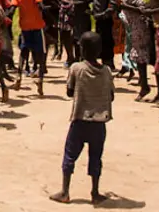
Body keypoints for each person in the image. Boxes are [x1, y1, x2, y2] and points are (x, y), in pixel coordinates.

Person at [49, 32, 113, 205]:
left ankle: (65, 191)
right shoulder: (107, 71)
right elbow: (111, 96)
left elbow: (70, 92)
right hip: (99, 122)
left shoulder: (77, 68)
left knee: (70, 155)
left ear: (82, 50)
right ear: (99, 51)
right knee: (96, 157)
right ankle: (95, 192)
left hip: (80, 119)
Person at [12, 0, 47, 96]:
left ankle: (18, 76)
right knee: (41, 54)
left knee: (23, 52)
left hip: (25, 28)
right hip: (37, 27)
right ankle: (40, 79)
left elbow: (12, 9)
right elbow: (40, 6)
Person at [119, 0, 151, 100]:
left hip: (138, 28)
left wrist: (124, 6)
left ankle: (144, 86)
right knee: (138, 56)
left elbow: (142, 8)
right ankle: (143, 84)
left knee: (140, 56)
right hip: (133, 28)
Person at [91, 0, 117, 70]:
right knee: (100, 40)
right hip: (98, 19)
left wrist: (106, 13)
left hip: (105, 20)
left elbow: (113, 2)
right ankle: (103, 61)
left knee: (107, 41)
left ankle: (109, 62)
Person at [55, 0, 75, 65]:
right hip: (62, 11)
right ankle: (69, 56)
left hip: (70, 11)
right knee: (64, 35)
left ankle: (73, 56)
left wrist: (69, 6)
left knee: (71, 35)